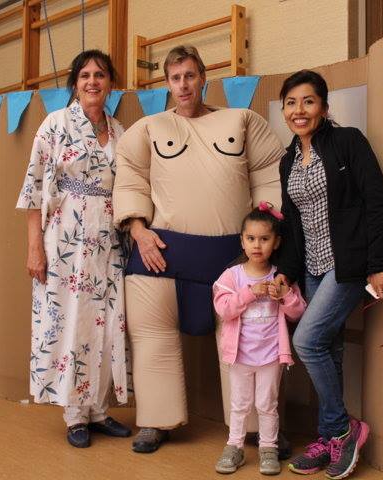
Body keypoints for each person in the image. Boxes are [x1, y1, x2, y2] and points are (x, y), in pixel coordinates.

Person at [113, 45, 285, 453]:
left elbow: (268, 175)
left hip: (233, 260)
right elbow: (130, 179)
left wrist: (264, 234)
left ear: (203, 78)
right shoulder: (148, 129)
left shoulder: (242, 121)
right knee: (152, 339)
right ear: (167, 84)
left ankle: (257, 429)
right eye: (175, 78)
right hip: (160, 254)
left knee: (247, 343)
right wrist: (137, 229)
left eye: (190, 75)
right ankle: (156, 421)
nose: (183, 85)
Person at [273, 70, 383, 479]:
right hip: (311, 267)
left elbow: (377, 202)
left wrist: (377, 264)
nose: (299, 110)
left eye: (308, 101)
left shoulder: (348, 142)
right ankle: (329, 439)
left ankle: (344, 428)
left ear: (324, 108)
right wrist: (287, 272)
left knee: (307, 342)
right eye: (291, 102)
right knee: (331, 349)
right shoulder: (288, 160)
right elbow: (292, 223)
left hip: (347, 265)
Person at [16, 50, 131, 449]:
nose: (92, 81)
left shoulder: (120, 130)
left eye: (100, 74)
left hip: (109, 239)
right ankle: (75, 414)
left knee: (106, 321)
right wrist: (35, 248)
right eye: (85, 75)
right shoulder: (56, 123)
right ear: (75, 83)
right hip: (66, 237)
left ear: (111, 82)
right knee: (70, 319)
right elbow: (33, 190)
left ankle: (98, 409)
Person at [213, 204, 306, 475]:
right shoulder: (232, 276)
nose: (257, 245)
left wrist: (285, 295)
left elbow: (299, 312)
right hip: (240, 355)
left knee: (267, 405)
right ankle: (234, 447)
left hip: (271, 355)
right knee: (239, 404)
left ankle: (268, 448)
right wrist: (250, 293)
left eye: (264, 239)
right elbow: (223, 309)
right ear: (242, 241)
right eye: (251, 238)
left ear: (276, 242)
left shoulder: (280, 277)